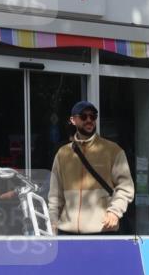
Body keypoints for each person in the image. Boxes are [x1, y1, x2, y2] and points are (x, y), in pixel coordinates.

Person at [48, 101, 135, 235]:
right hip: (67, 232)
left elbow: (126, 187)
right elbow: (55, 194)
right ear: (73, 120)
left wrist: (114, 212)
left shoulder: (112, 150)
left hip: (102, 230)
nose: (89, 120)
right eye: (83, 116)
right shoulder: (63, 153)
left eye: (93, 116)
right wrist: (52, 223)